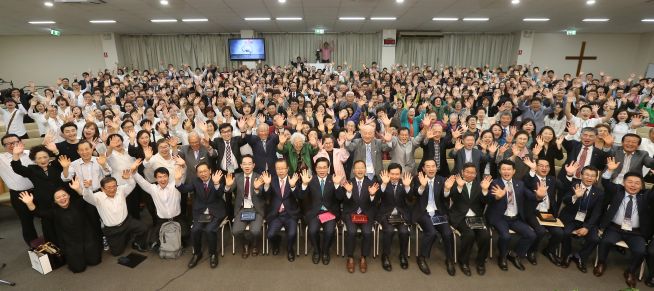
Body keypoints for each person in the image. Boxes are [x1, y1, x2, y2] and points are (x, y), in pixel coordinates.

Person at [17, 184, 102, 273]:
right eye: (58, 198)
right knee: (78, 268)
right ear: (55, 201)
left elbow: (86, 198)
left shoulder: (78, 204)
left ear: (69, 196)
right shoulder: (54, 212)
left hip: (87, 239)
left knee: (94, 261)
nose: (62, 198)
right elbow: (37, 213)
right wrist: (30, 203)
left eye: (64, 195)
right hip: (71, 245)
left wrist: (78, 189)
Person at [595, 160, 654, 288]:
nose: (633, 185)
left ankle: (631, 272)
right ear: (623, 182)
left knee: (641, 251)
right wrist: (609, 170)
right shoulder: (617, 191)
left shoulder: (646, 196)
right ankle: (601, 263)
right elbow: (605, 182)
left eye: (637, 183)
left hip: (636, 232)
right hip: (614, 228)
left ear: (642, 186)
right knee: (605, 241)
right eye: (630, 182)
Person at [75, 168, 148, 256]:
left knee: (144, 228)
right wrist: (87, 188)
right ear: (102, 189)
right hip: (112, 229)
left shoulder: (121, 190)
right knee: (117, 253)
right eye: (109, 187)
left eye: (114, 186)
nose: (112, 189)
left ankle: (136, 243)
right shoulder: (97, 197)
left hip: (127, 222)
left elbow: (132, 185)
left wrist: (128, 179)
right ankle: (119, 237)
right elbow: (87, 197)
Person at [486, 160, 538, 271]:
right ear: (499, 171)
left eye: (509, 169)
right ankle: (502, 256)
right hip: (500, 217)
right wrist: (497, 197)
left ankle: (514, 254)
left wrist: (539, 196)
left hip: (515, 218)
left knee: (531, 235)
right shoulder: (494, 183)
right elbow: (488, 199)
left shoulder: (520, 184)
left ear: (514, 171)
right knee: (506, 236)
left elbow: (531, 196)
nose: (506, 171)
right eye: (503, 169)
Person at [11, 143, 67, 244]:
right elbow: (18, 168)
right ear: (34, 160)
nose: (43, 160)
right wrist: (16, 155)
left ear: (49, 157)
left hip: (61, 202)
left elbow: (64, 159)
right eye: (39, 158)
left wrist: (56, 151)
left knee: (65, 228)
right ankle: (56, 255)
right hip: (44, 205)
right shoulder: (32, 169)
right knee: (50, 231)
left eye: (45, 157)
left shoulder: (56, 166)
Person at [444, 164, 492, 276]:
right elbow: (451, 198)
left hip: (477, 217)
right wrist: (459, 187)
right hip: (460, 217)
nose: (470, 174)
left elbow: (485, 201)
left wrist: (485, 190)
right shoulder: (456, 183)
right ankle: (463, 261)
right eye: (467, 172)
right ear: (462, 172)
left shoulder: (480, 185)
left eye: (472, 173)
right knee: (469, 234)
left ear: (476, 174)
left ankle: (480, 262)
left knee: (485, 235)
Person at [175, 162, 226, 269]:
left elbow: (220, 194)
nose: (203, 174)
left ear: (210, 171)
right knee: (195, 230)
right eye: (200, 172)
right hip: (201, 212)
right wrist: (178, 181)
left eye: (205, 171)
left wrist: (216, 184)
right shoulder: (195, 181)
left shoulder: (217, 179)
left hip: (216, 211)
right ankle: (197, 253)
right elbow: (184, 189)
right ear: (197, 174)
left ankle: (213, 254)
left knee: (209, 229)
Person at [556, 164, 604, 273]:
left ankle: (580, 257)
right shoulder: (573, 185)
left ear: (596, 178)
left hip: (587, 221)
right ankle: (567, 255)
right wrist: (575, 196)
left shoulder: (599, 192)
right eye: (586, 175)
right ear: (581, 175)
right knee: (566, 233)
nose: (589, 178)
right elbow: (565, 200)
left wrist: (587, 227)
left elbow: (597, 213)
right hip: (570, 217)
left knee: (595, 239)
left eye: (592, 176)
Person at [411, 159, 455, 276]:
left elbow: (445, 198)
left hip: (438, 212)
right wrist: (422, 186)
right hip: (423, 212)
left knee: (447, 233)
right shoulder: (417, 179)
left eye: (433, 166)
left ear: (436, 168)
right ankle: (422, 258)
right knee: (431, 232)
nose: (431, 169)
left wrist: (446, 189)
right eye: (428, 167)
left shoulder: (442, 180)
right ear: (424, 169)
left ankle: (449, 259)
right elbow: (413, 195)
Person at [297, 157, 344, 265]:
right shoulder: (309, 179)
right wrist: (304, 184)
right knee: (312, 231)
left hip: (330, 212)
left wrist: (337, 185)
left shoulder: (334, 179)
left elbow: (341, 198)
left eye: (324, 167)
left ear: (328, 168)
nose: (322, 170)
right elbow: (301, 196)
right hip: (314, 212)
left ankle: (325, 251)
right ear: (315, 168)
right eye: (319, 168)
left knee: (329, 231)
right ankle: (317, 251)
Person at [132, 164, 189, 250]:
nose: (162, 179)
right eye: (160, 177)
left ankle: (177, 239)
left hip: (177, 219)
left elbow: (182, 176)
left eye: (165, 176)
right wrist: (134, 172)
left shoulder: (176, 185)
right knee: (153, 243)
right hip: (162, 220)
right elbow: (141, 181)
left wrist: (183, 166)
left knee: (186, 234)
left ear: (168, 177)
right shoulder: (152, 188)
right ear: (156, 178)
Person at [338, 160, 380, 273]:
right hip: (351, 214)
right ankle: (350, 257)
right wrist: (349, 192)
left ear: (365, 170)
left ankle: (363, 257)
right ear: (353, 170)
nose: (360, 170)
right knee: (351, 232)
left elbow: (374, 203)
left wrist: (372, 195)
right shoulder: (347, 183)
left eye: (362, 168)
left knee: (367, 232)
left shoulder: (371, 183)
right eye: (357, 168)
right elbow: (344, 201)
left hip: (366, 214)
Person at [521, 158, 562, 266]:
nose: (544, 168)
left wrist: (570, 175)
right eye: (541, 165)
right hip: (532, 212)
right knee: (540, 231)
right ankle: (531, 251)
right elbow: (527, 180)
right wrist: (532, 170)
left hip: (547, 212)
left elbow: (564, 187)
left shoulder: (551, 179)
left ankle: (549, 250)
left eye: (547, 166)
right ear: (536, 166)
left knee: (559, 233)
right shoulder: (530, 178)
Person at [227, 155, 265, 258]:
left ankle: (255, 244)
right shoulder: (237, 177)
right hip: (241, 209)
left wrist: (257, 189)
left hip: (256, 209)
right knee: (235, 231)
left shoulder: (259, 177)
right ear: (241, 165)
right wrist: (227, 186)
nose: (247, 166)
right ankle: (246, 243)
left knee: (255, 231)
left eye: (249, 164)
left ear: (253, 165)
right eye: (244, 164)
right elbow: (229, 190)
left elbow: (263, 194)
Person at [0, 134, 36, 245]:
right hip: (19, 195)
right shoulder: (1, 158)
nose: (11, 145)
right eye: (7, 144)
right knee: (27, 223)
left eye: (14, 142)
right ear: (4, 147)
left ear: (21, 142)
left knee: (46, 218)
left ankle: (52, 245)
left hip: (38, 191)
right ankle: (36, 249)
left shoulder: (31, 154)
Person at [377, 164, 413, 272]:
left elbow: (411, 198)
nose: (394, 176)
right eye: (392, 174)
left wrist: (407, 187)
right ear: (388, 173)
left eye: (397, 174)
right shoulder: (382, 183)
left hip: (400, 214)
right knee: (389, 230)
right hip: (386, 214)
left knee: (404, 232)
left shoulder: (405, 182)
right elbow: (376, 198)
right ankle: (385, 255)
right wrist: (383, 183)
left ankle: (402, 255)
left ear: (400, 174)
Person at [263, 159, 300, 262]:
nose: (281, 171)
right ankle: (276, 244)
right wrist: (266, 185)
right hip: (276, 214)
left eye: (283, 168)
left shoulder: (293, 179)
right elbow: (266, 197)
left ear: (287, 169)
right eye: (278, 168)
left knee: (292, 233)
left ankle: (289, 249)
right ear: (275, 169)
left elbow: (300, 196)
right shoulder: (272, 180)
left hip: (290, 214)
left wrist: (293, 186)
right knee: (270, 234)